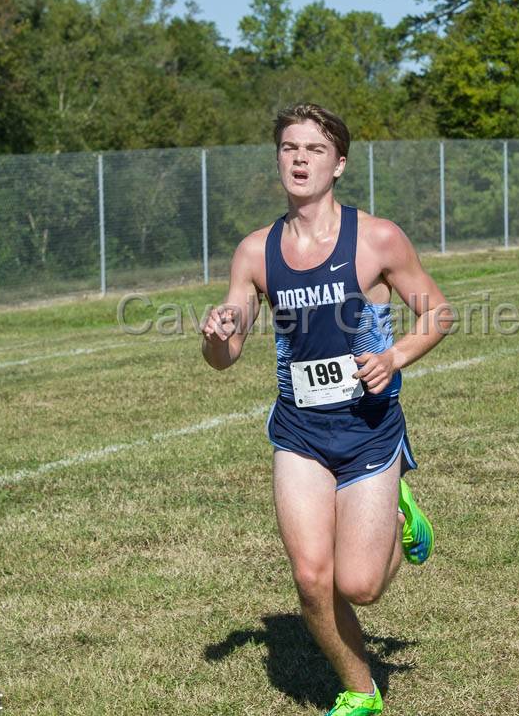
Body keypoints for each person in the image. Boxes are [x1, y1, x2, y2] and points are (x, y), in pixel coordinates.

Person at [201, 103, 453, 716]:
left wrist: (393, 358)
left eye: (313, 150)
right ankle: (360, 691)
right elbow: (225, 354)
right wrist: (216, 333)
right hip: (300, 434)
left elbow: (438, 314)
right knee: (312, 577)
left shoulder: (377, 239)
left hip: (368, 432)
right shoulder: (255, 252)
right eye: (289, 148)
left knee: (359, 586)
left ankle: (398, 518)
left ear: (338, 163)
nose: (299, 159)